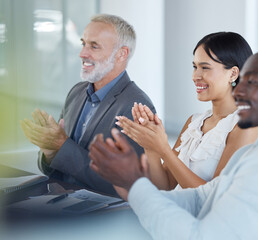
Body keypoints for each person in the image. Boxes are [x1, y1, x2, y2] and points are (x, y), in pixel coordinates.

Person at [89, 48, 258, 239]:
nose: (239, 92)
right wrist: (136, 185)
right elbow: (203, 199)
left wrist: (137, 186)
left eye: (252, 83)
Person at [20, 14, 156, 196]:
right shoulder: (76, 92)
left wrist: (62, 145)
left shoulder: (137, 107)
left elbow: (127, 185)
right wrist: (50, 152)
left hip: (103, 218)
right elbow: (57, 169)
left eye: (94, 46)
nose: (82, 53)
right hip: (61, 206)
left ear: (122, 54)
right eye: (84, 43)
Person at [115, 32, 258, 190]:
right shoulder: (194, 123)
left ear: (233, 74)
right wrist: (152, 147)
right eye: (195, 67)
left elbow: (215, 197)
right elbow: (165, 186)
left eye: (205, 68)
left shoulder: (246, 126)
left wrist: (164, 150)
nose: (195, 76)